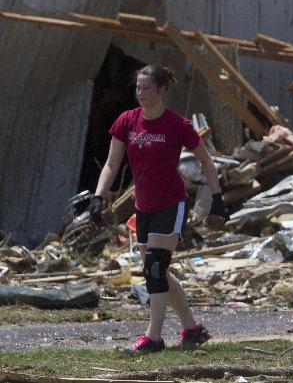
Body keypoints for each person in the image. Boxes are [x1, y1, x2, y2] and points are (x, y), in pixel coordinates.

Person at [89, 65, 227, 354]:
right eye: (138, 88)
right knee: (157, 271)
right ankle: (192, 329)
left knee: (154, 267)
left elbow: (206, 161)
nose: (141, 93)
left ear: (162, 90)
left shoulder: (177, 125)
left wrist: (217, 198)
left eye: (147, 88)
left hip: (171, 203)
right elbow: (113, 164)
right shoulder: (127, 121)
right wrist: (98, 197)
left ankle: (153, 339)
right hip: (144, 207)